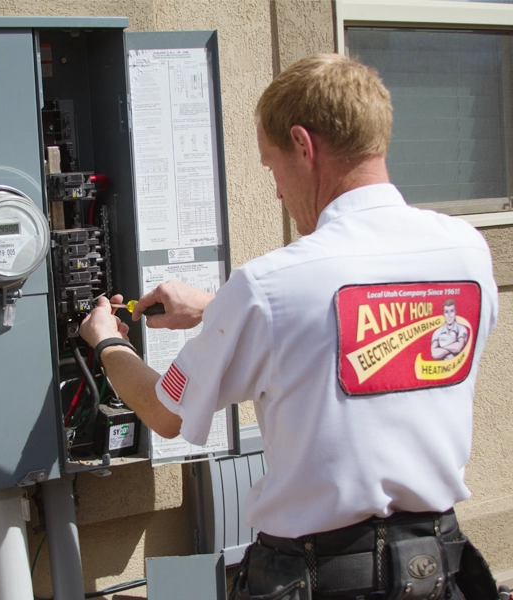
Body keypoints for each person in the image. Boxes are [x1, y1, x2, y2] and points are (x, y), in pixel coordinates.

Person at [80, 54, 500, 599]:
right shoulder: (464, 252)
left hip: (323, 577)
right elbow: (369, 327)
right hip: (436, 569)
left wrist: (107, 340)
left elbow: (164, 411)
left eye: (271, 165)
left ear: (303, 144)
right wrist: (217, 308)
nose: (276, 189)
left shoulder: (271, 285)